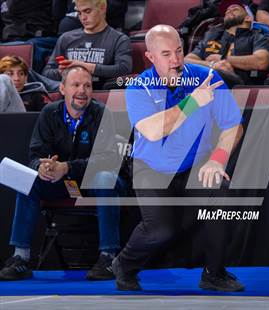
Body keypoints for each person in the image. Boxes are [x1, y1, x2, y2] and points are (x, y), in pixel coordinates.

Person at [111, 24, 245, 292]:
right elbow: (152, 130)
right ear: (150, 57)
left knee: (221, 195)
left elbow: (234, 125)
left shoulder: (206, 77)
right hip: (151, 168)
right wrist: (193, 102)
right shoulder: (139, 87)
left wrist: (218, 158)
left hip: (195, 164)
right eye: (166, 54)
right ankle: (123, 265)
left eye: (179, 51)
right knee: (160, 231)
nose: (175, 60)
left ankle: (214, 274)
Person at [0, 65, 124, 281]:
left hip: (92, 181)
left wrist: (67, 166)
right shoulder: (50, 112)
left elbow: (109, 158)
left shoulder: (101, 112)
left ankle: (108, 257)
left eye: (87, 85)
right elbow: (35, 154)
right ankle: (20, 257)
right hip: (62, 182)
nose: (82, 91)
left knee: (105, 177)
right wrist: (43, 166)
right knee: (28, 181)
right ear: (63, 89)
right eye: (76, 85)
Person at [42, 0, 132, 89]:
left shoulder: (119, 39)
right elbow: (46, 73)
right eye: (79, 13)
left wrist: (84, 66)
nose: (83, 18)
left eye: (87, 11)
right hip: (69, 94)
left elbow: (123, 70)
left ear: (102, 8)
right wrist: (61, 72)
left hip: (101, 92)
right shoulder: (66, 38)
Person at [185, 0, 269, 86]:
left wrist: (223, 59)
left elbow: (262, 61)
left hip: (240, 86)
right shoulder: (212, 35)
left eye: (235, 9)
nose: (229, 10)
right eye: (227, 11)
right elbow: (186, 60)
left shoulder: (257, 35)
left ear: (248, 17)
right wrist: (212, 65)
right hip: (206, 83)